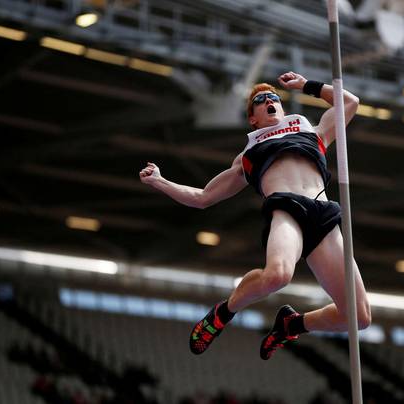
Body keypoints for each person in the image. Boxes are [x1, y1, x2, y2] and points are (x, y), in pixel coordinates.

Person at [139, 71, 371, 360]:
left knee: (359, 318)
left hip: (323, 214)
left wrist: (304, 85)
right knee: (278, 275)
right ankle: (224, 312)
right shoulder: (248, 154)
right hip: (287, 209)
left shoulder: (313, 131)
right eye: (261, 100)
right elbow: (203, 198)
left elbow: (349, 102)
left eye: (274, 98)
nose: (270, 100)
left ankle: (292, 325)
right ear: (253, 119)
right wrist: (160, 181)